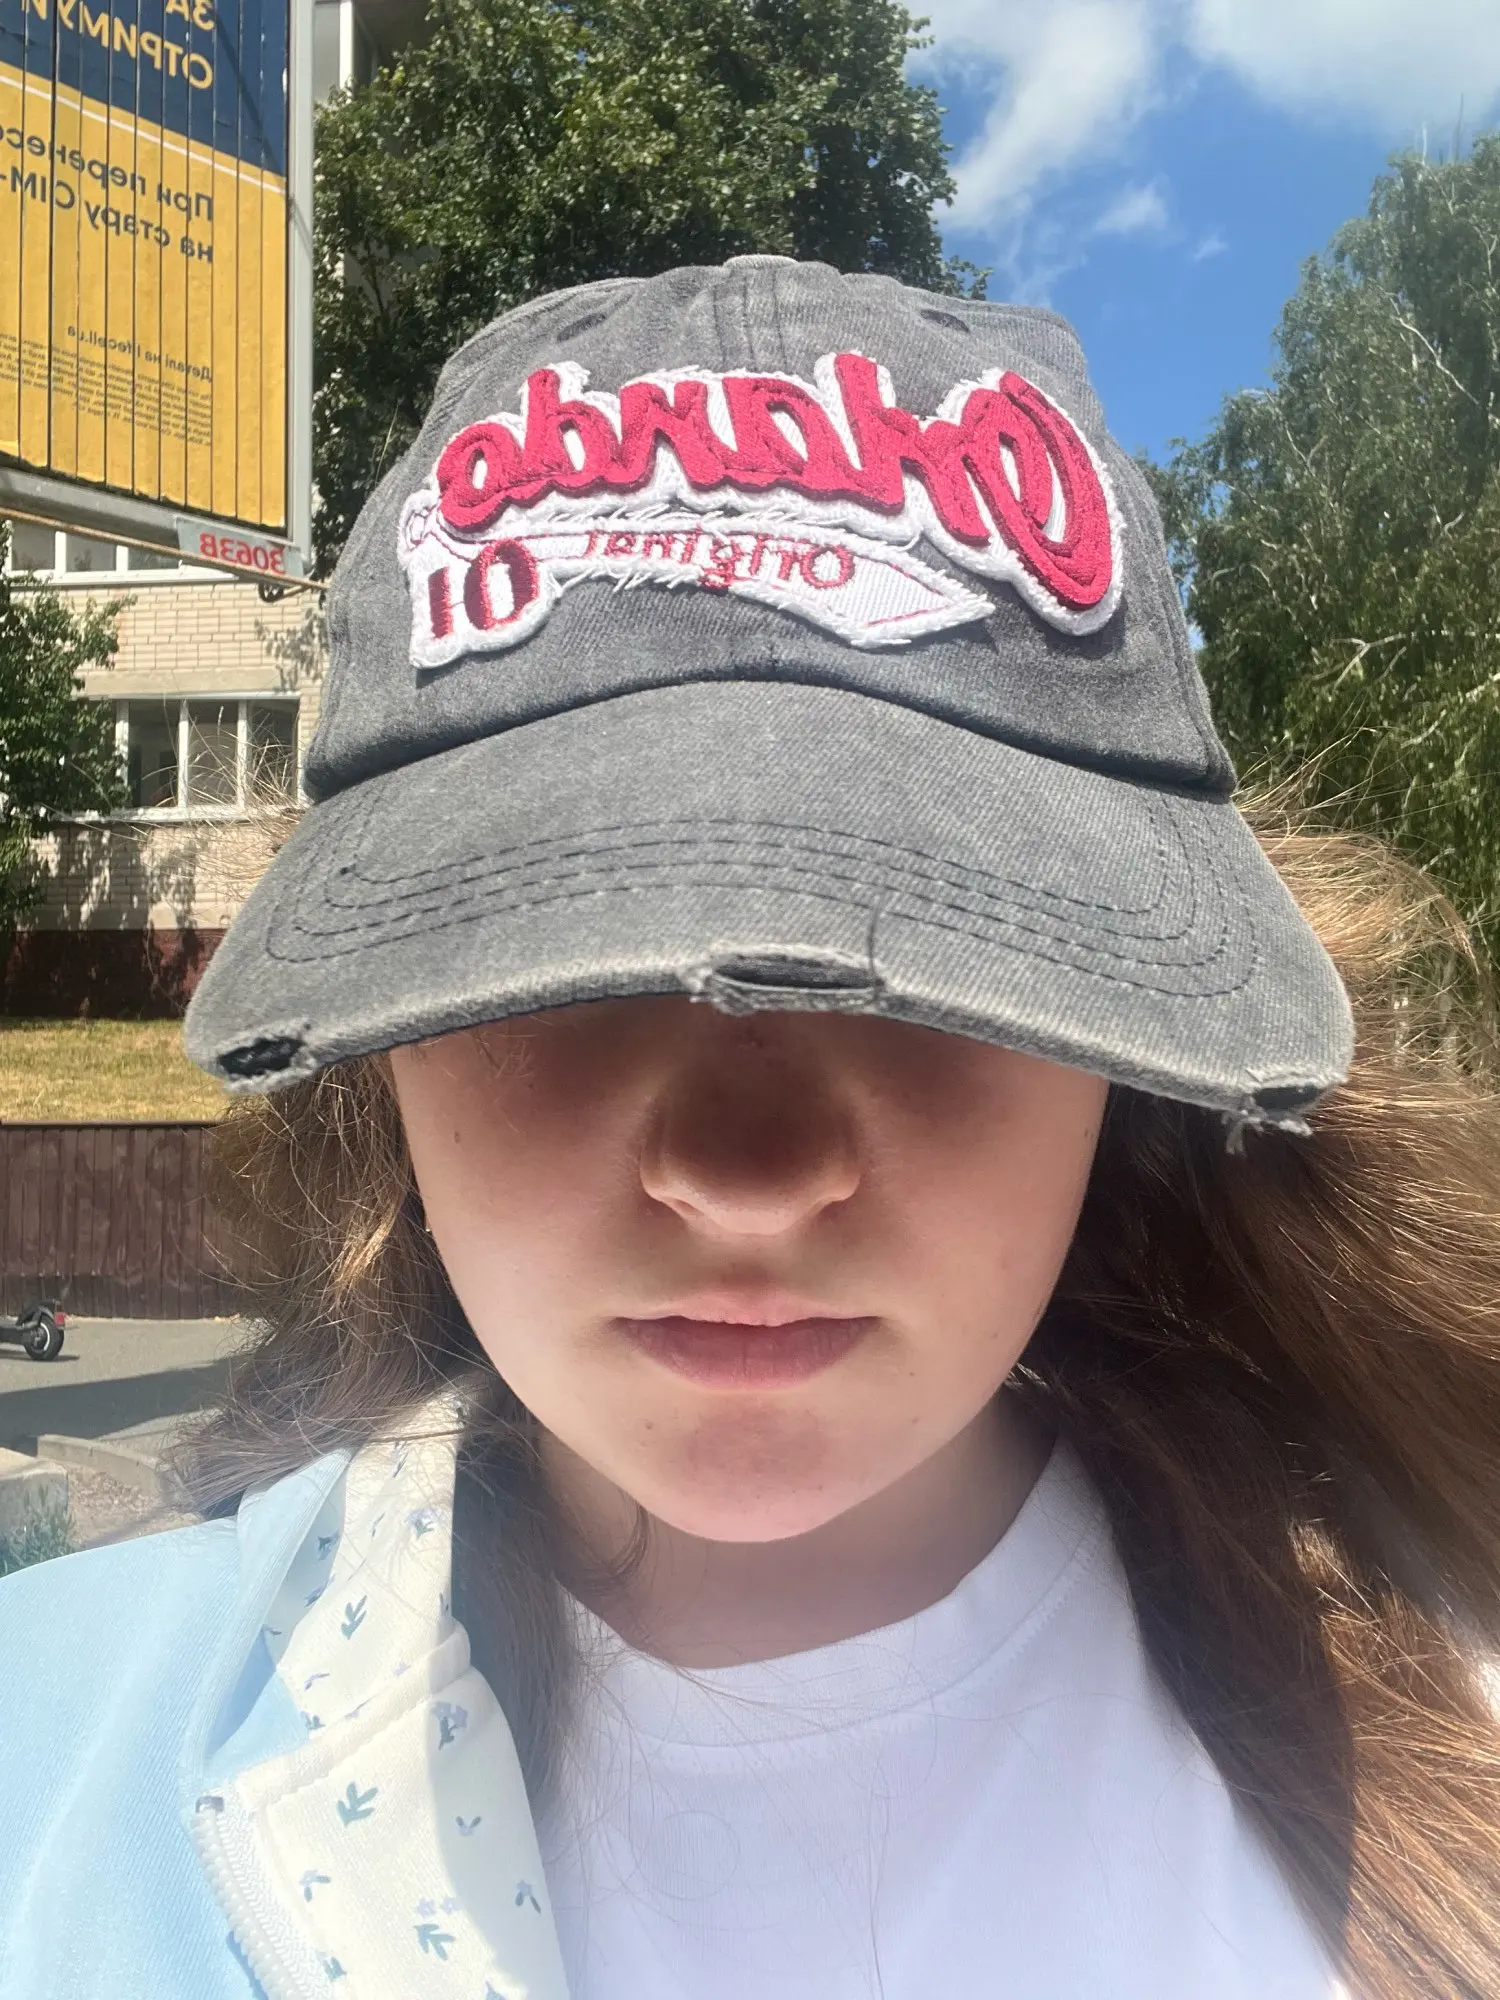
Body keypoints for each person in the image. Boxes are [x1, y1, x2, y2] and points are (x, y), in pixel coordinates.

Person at [3, 257, 1499, 2000]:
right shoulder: (46, 1760)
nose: (747, 1172)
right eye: (561, 945)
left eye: (942, 953)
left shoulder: (1462, 1698)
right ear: (378, 1051)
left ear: (1131, 1059)